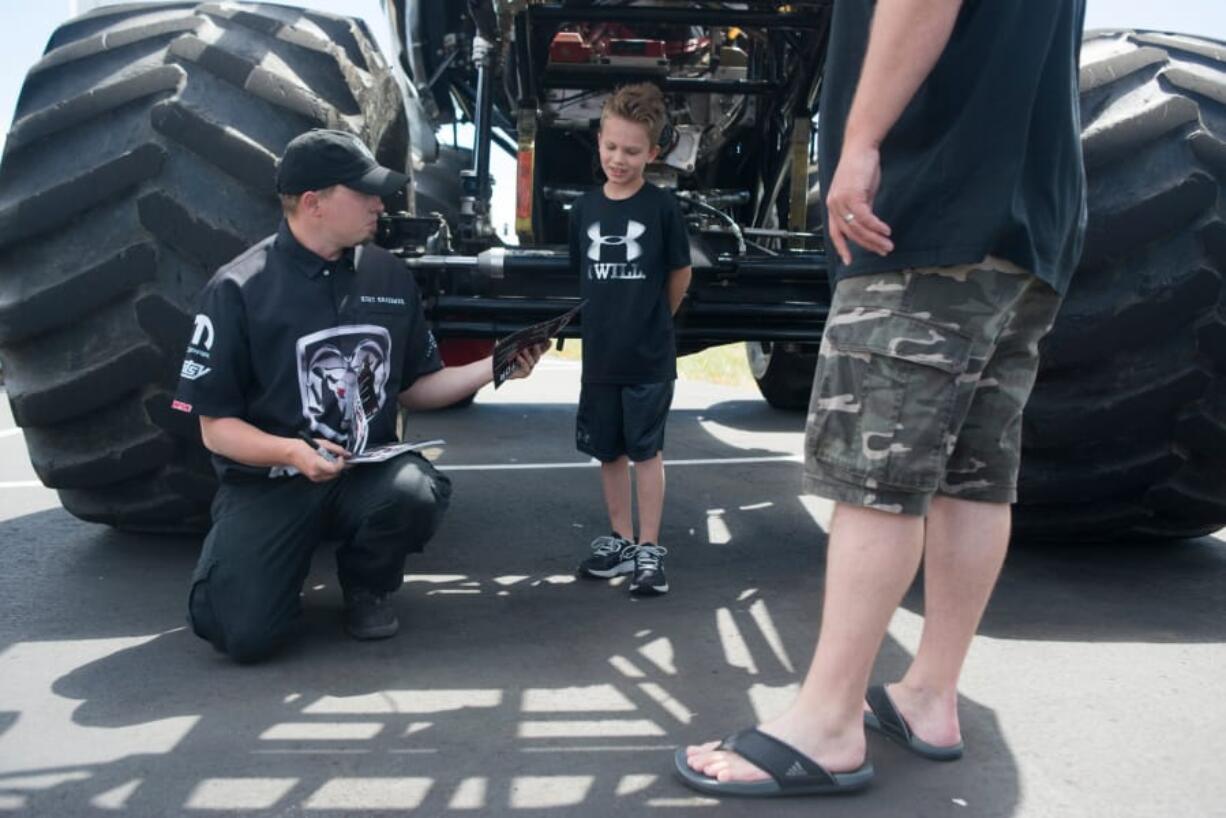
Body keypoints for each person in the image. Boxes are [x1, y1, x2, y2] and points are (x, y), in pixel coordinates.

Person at [677, 0, 1087, 797]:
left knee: (876, 474)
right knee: (975, 474)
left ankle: (827, 723)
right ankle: (930, 695)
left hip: (928, 200)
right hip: (1031, 222)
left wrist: (860, 140)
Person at [173, 129, 546, 664]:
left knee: (415, 489)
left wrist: (494, 365)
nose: (379, 203)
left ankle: (367, 585)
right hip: (273, 482)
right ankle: (267, 568)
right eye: (363, 192)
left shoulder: (389, 275)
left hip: (363, 475)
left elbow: (416, 388)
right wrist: (292, 452)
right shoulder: (237, 289)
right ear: (313, 204)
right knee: (240, 635)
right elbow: (215, 428)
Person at [569, 83, 693, 596]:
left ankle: (648, 550)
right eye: (611, 147)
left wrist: (652, 320)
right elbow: (582, 278)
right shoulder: (583, 210)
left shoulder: (662, 208)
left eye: (633, 151)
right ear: (599, 140)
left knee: (647, 454)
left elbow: (679, 276)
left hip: (648, 358)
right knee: (609, 454)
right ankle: (619, 543)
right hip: (600, 358)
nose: (619, 159)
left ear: (654, 153)